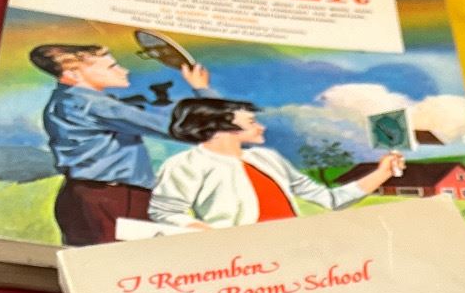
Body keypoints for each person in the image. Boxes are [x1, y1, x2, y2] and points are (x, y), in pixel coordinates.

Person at [29, 42, 211, 247]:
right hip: (115, 199)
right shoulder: (95, 104)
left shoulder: (64, 99)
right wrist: (202, 89)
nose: (123, 71)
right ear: (73, 74)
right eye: (111, 67)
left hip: (82, 195)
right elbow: (183, 130)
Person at [148, 98, 404, 229]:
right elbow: (165, 213)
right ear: (219, 127)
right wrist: (208, 234)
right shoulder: (185, 164)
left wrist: (382, 173)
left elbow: (330, 199)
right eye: (251, 122)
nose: (261, 126)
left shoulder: (267, 158)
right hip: (239, 259)